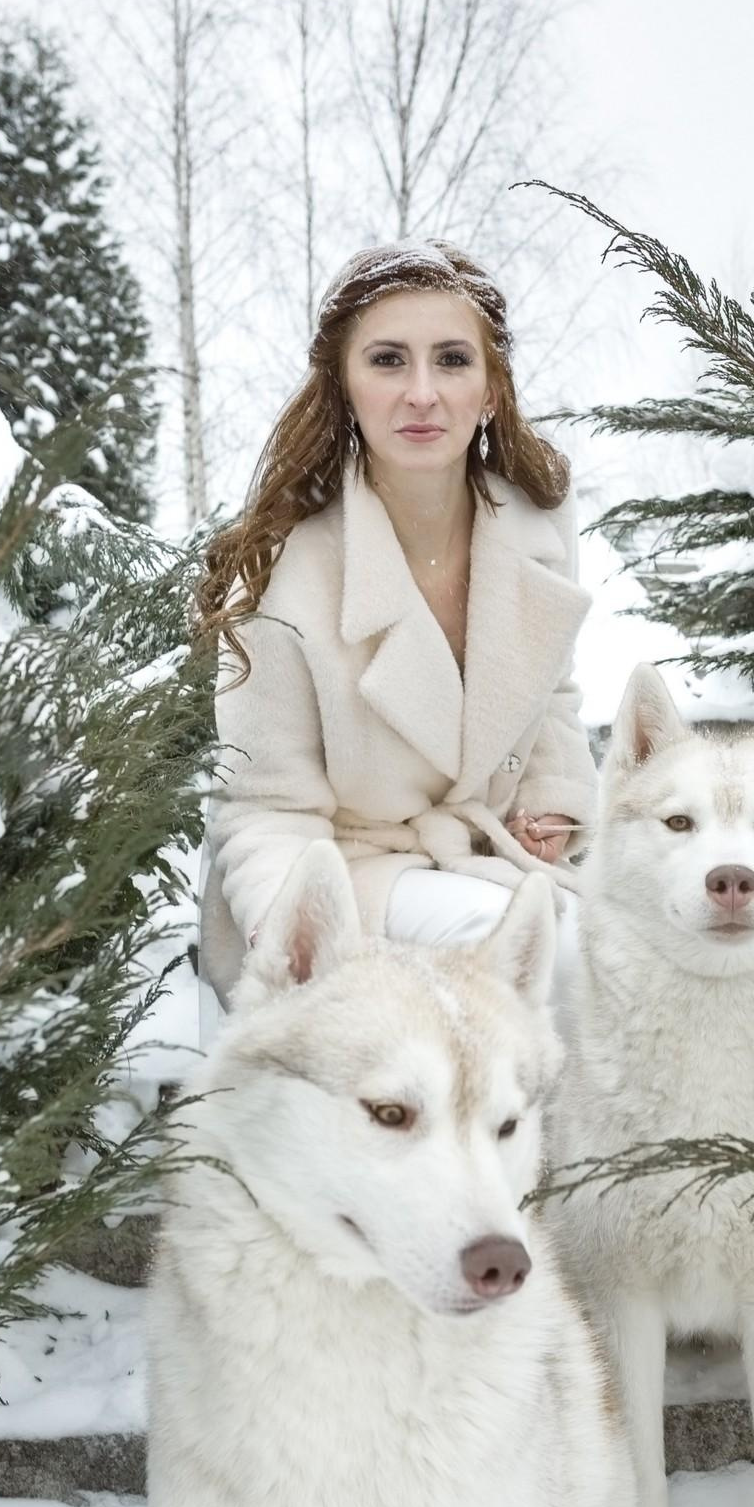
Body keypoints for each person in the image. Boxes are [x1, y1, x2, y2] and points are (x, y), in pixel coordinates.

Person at [194, 241, 597, 1007]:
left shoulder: (535, 526)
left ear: (490, 389)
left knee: (638, 958)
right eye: (387, 361)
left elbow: (550, 694)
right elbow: (265, 811)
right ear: (343, 387)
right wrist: (301, 947)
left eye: (451, 360)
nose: (421, 393)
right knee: (531, 955)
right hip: (345, 879)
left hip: (489, 855)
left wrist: (553, 798)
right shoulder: (285, 569)